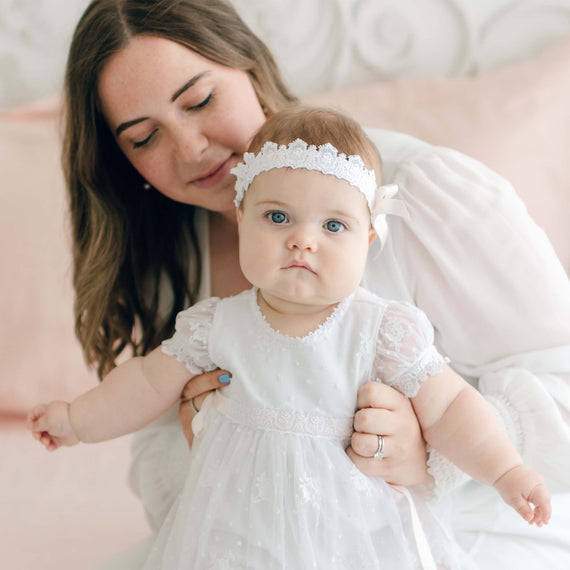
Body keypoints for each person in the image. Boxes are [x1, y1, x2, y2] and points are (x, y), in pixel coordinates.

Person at [55, 0, 570, 568]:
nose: (190, 148)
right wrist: (211, 445)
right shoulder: (167, 250)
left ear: (249, 66)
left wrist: (429, 456)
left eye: (200, 100)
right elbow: (150, 446)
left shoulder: (416, 192)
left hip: (465, 526)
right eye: (144, 137)